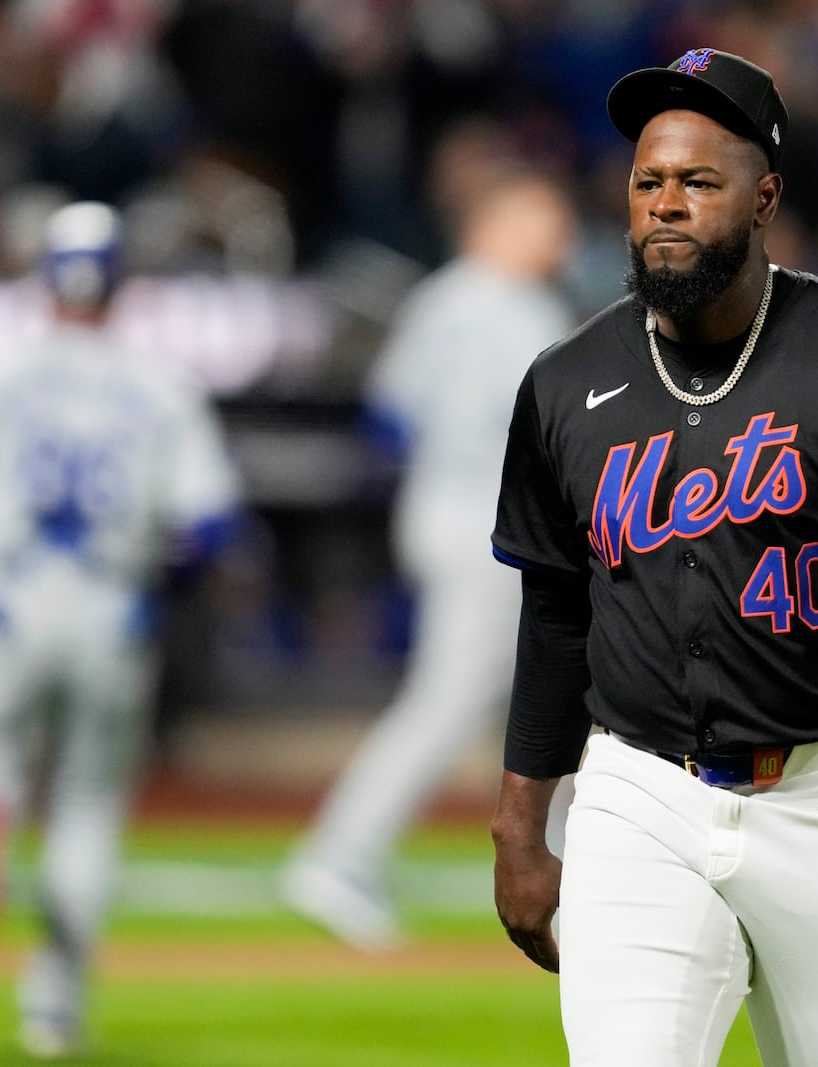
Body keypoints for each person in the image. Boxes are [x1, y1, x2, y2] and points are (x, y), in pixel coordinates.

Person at [488, 49, 818, 1066]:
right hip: (640, 793)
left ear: (762, 196)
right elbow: (554, 612)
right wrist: (519, 825)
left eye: (696, 181)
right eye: (647, 182)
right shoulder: (564, 381)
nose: (665, 203)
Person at [0, 201, 245, 1059]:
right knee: (88, 805)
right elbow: (210, 524)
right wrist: (153, 585)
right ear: (120, 280)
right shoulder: (159, 381)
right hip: (109, 605)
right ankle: (53, 1006)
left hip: (7, 594)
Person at [280, 170, 580, 949]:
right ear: (495, 223)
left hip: (441, 514)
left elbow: (388, 417)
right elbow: (562, 441)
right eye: (543, 217)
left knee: (563, 699)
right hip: (499, 529)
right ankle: (338, 855)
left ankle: (585, 869)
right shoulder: (520, 308)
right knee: (458, 698)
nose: (561, 236)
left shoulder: (439, 297)